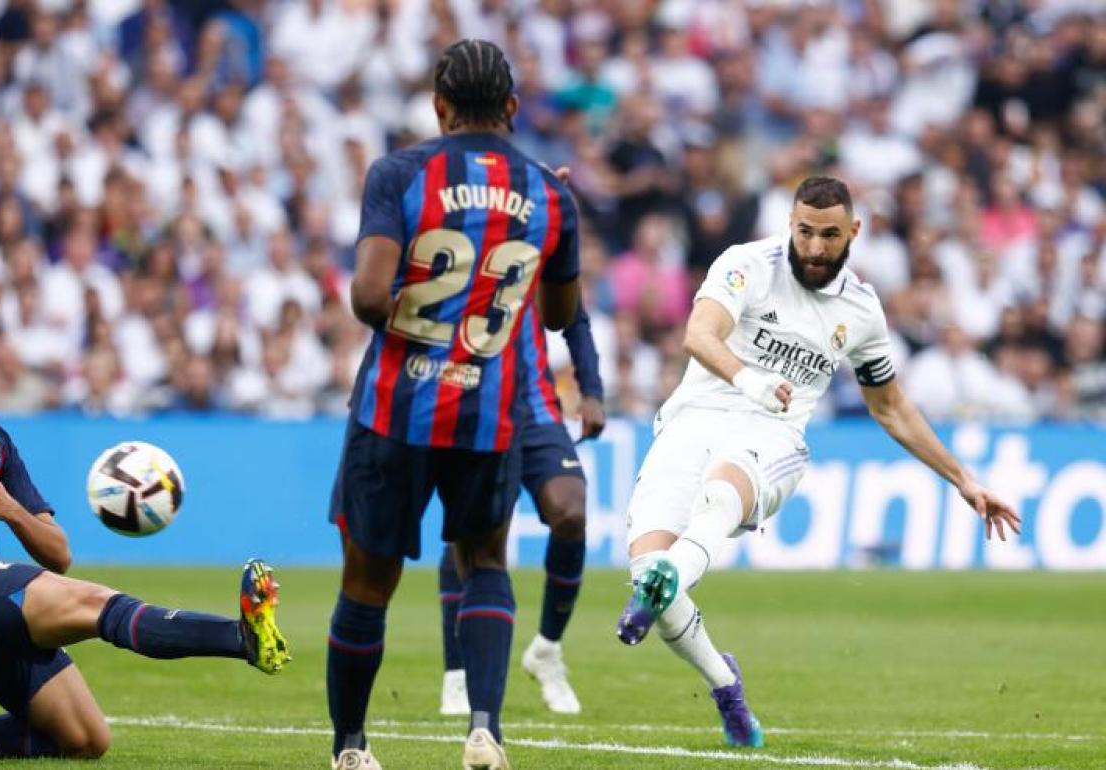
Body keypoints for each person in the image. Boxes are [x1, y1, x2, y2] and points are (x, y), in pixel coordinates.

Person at [613, 177, 1021, 747]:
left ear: (853, 232)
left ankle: (670, 574)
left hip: (774, 437)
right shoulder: (747, 264)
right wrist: (748, 377)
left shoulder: (861, 311)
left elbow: (891, 406)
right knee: (646, 574)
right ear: (791, 224)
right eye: (804, 231)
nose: (813, 247)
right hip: (694, 419)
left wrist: (964, 480)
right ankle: (724, 683)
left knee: (722, 492)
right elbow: (700, 334)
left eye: (829, 235)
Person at [0, 299, 290, 760]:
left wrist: (11, 510)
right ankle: (240, 639)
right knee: (95, 603)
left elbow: (58, 554)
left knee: (84, 741)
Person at [327, 39, 581, 770]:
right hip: (489, 410)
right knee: (485, 562)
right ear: (512, 107)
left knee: (368, 582)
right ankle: (484, 732)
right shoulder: (548, 192)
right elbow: (561, 313)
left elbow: (368, 297)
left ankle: (350, 748)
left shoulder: (401, 173)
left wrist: (429, 326)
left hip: (393, 411)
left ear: (439, 107)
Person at [438, 304, 604, 717]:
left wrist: (593, 391)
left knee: (571, 513)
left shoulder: (538, 241)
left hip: (536, 410)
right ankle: (457, 673)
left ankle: (547, 649)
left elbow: (573, 315)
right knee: (470, 529)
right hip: (469, 403)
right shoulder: (456, 239)